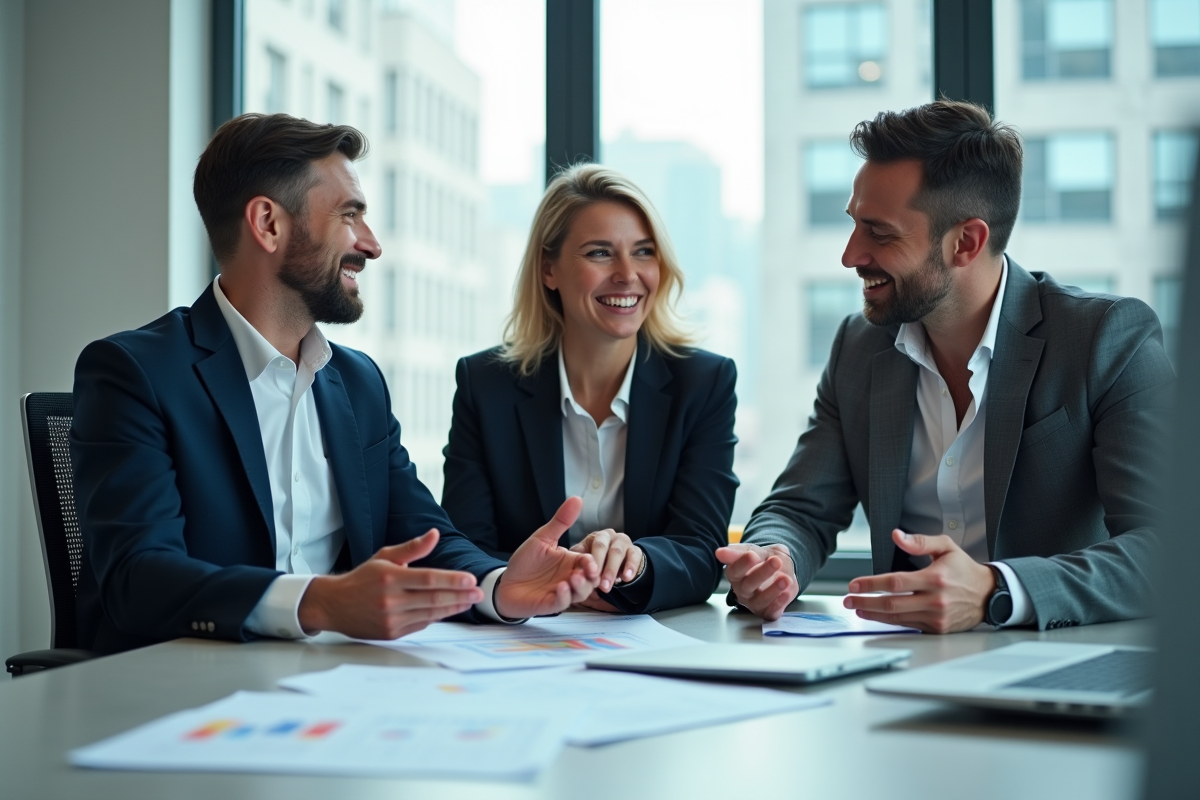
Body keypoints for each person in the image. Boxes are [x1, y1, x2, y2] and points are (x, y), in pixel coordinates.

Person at [70, 114, 600, 655]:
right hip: (179, 691)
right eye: (350, 215)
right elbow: (139, 577)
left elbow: (421, 534)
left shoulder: (358, 382)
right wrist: (318, 602)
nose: (371, 245)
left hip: (330, 687)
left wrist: (498, 586)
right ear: (268, 224)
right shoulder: (135, 373)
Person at [717, 100, 1172, 633]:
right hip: (895, 668)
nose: (849, 255)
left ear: (966, 242)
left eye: (879, 233)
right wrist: (775, 558)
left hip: (1055, 663)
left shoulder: (1107, 339)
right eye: (853, 226)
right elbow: (799, 508)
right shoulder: (859, 348)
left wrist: (995, 589)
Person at [441, 164, 738, 614]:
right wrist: (555, 579)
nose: (627, 274)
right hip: (526, 639)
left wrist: (634, 568)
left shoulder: (704, 383)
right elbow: (464, 547)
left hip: (651, 644)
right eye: (600, 253)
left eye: (643, 252)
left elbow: (700, 550)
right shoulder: (485, 386)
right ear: (549, 270)